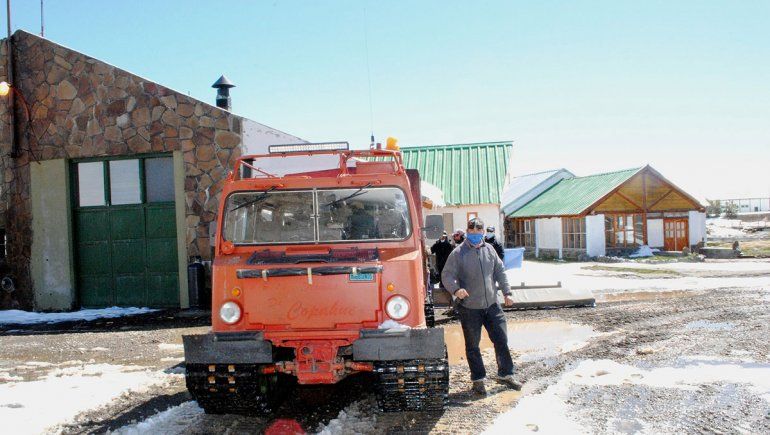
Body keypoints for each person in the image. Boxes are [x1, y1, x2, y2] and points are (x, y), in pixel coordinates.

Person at [442, 217, 523, 395]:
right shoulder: (458, 253)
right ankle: (478, 380)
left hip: (492, 305)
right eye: (472, 232)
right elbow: (447, 275)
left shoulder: (490, 249)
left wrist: (507, 292)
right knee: (473, 346)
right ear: (467, 232)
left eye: (479, 232)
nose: (475, 235)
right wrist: (456, 290)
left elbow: (500, 272)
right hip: (470, 307)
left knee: (501, 340)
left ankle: (506, 374)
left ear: (483, 232)